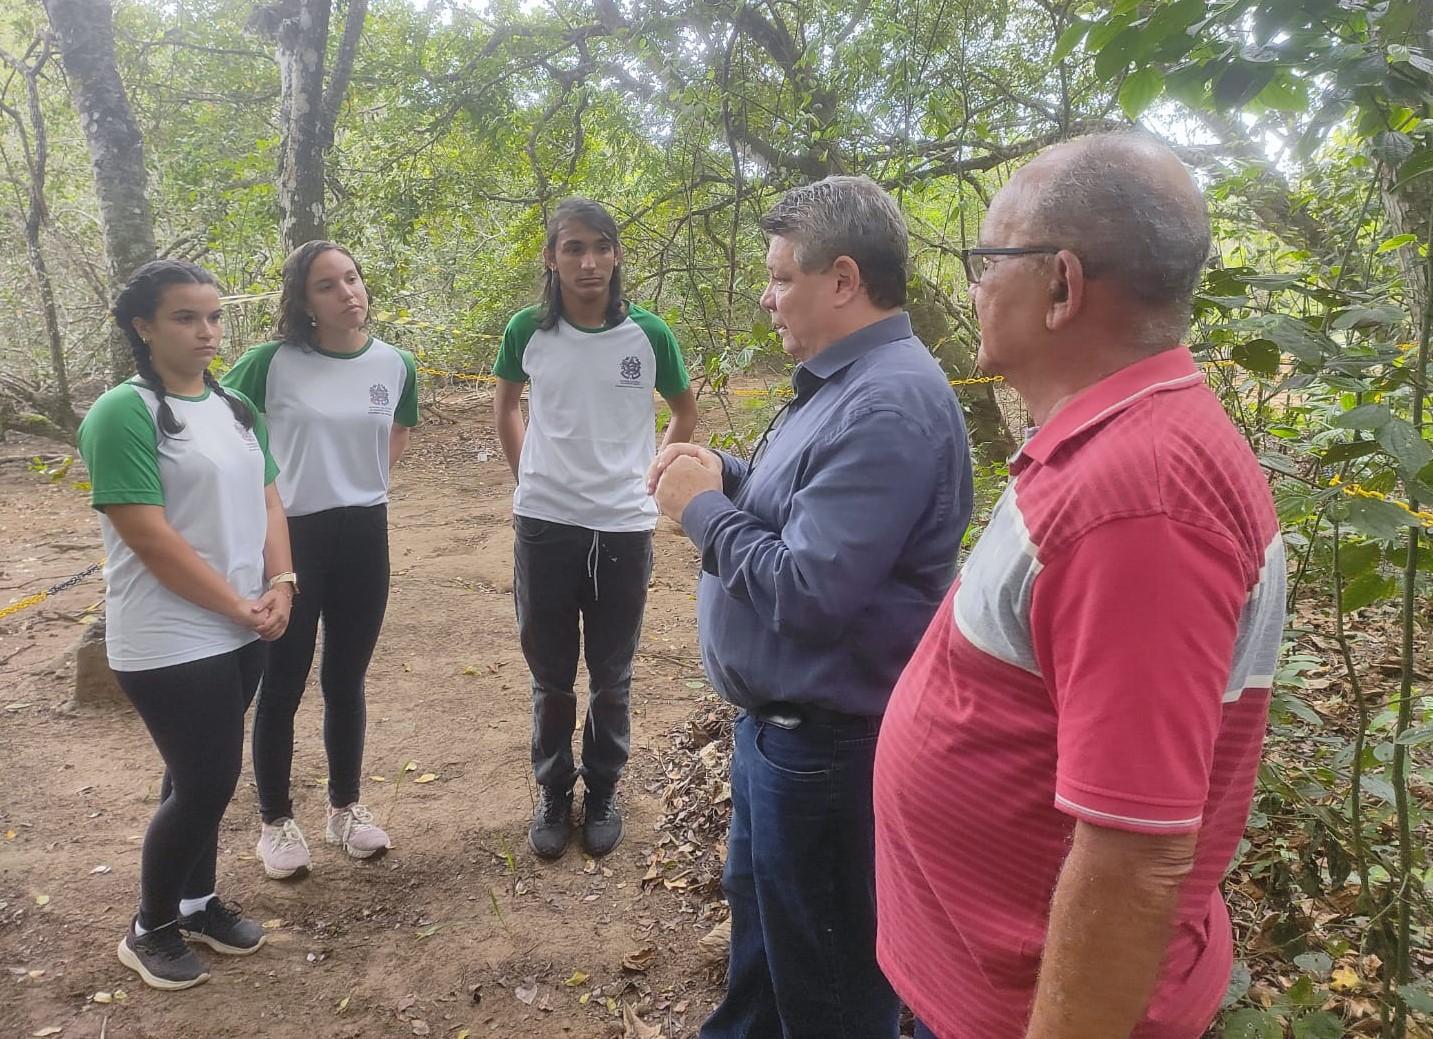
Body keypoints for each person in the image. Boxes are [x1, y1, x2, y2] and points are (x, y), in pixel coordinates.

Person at [873, 131, 1286, 1039]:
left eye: (987, 259)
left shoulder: (1140, 501)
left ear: (1061, 285)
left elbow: (1134, 854)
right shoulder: (1108, 448)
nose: (975, 283)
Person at [649, 175, 972, 1039]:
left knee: (827, 989)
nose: (766, 296)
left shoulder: (889, 400)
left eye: (780, 277)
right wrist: (728, 478)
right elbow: (803, 518)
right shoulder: (840, 383)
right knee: (769, 962)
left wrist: (700, 510)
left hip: (828, 750)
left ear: (841, 280)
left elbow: (809, 590)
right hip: (782, 738)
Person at [77, 259, 294, 990]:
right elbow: (149, 535)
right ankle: (150, 926)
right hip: (168, 633)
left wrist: (281, 582)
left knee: (193, 771)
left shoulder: (234, 406)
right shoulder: (123, 412)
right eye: (184, 317)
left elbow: (268, 500)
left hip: (242, 622)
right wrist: (238, 604)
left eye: (212, 316)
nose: (205, 331)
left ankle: (196, 903)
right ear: (143, 327)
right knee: (207, 780)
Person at [493, 197, 697, 860]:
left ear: (615, 255)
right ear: (551, 258)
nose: (587, 261)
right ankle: (554, 789)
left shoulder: (649, 334)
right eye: (572, 248)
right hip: (546, 525)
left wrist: (651, 476)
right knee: (550, 675)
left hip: (621, 528)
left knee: (611, 674)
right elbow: (506, 408)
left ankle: (602, 788)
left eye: (599, 247)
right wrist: (530, 480)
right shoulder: (527, 330)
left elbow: (683, 412)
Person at [222, 241, 418, 878]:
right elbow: (222, 436)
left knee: (347, 680)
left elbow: (398, 434)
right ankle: (275, 821)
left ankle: (346, 809)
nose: (348, 293)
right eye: (328, 285)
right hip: (291, 536)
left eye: (353, 279)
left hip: (365, 532)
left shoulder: (395, 364)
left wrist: (359, 486)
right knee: (282, 683)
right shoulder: (269, 364)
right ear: (303, 303)